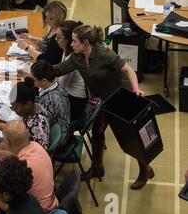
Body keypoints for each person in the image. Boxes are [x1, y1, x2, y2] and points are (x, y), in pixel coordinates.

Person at [54, 25, 151, 189]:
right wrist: (34, 73)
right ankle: (97, 168)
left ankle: (145, 170)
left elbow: (128, 70)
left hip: (122, 97)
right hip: (103, 100)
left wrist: (136, 89)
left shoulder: (104, 54)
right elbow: (56, 70)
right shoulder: (77, 58)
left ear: (85, 42)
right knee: (98, 131)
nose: (71, 44)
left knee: (130, 137)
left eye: (75, 41)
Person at [0, 120, 58, 214]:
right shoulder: (35, 146)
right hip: (49, 203)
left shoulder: (23, 169)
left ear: (8, 142)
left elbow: (9, 207)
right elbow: (13, 156)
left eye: (3, 139)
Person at [30, 59, 71, 148]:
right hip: (57, 127)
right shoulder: (53, 82)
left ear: (44, 80)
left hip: (57, 139)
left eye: (34, 79)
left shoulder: (50, 101)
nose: (32, 81)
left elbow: (41, 124)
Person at [0, 80, 50, 149]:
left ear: (28, 104)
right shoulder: (34, 107)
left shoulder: (37, 127)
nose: (13, 110)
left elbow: (36, 153)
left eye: (16, 107)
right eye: (12, 106)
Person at [55, 20, 87, 120]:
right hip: (68, 96)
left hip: (74, 103)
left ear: (67, 40)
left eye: (58, 38)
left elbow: (61, 86)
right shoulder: (66, 51)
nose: (56, 40)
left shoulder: (73, 58)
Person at [18, 1, 66, 65]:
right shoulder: (53, 27)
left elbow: (47, 60)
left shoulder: (58, 36)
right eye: (46, 17)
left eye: (50, 19)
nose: (46, 20)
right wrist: (33, 39)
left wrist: (27, 48)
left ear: (59, 18)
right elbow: (47, 44)